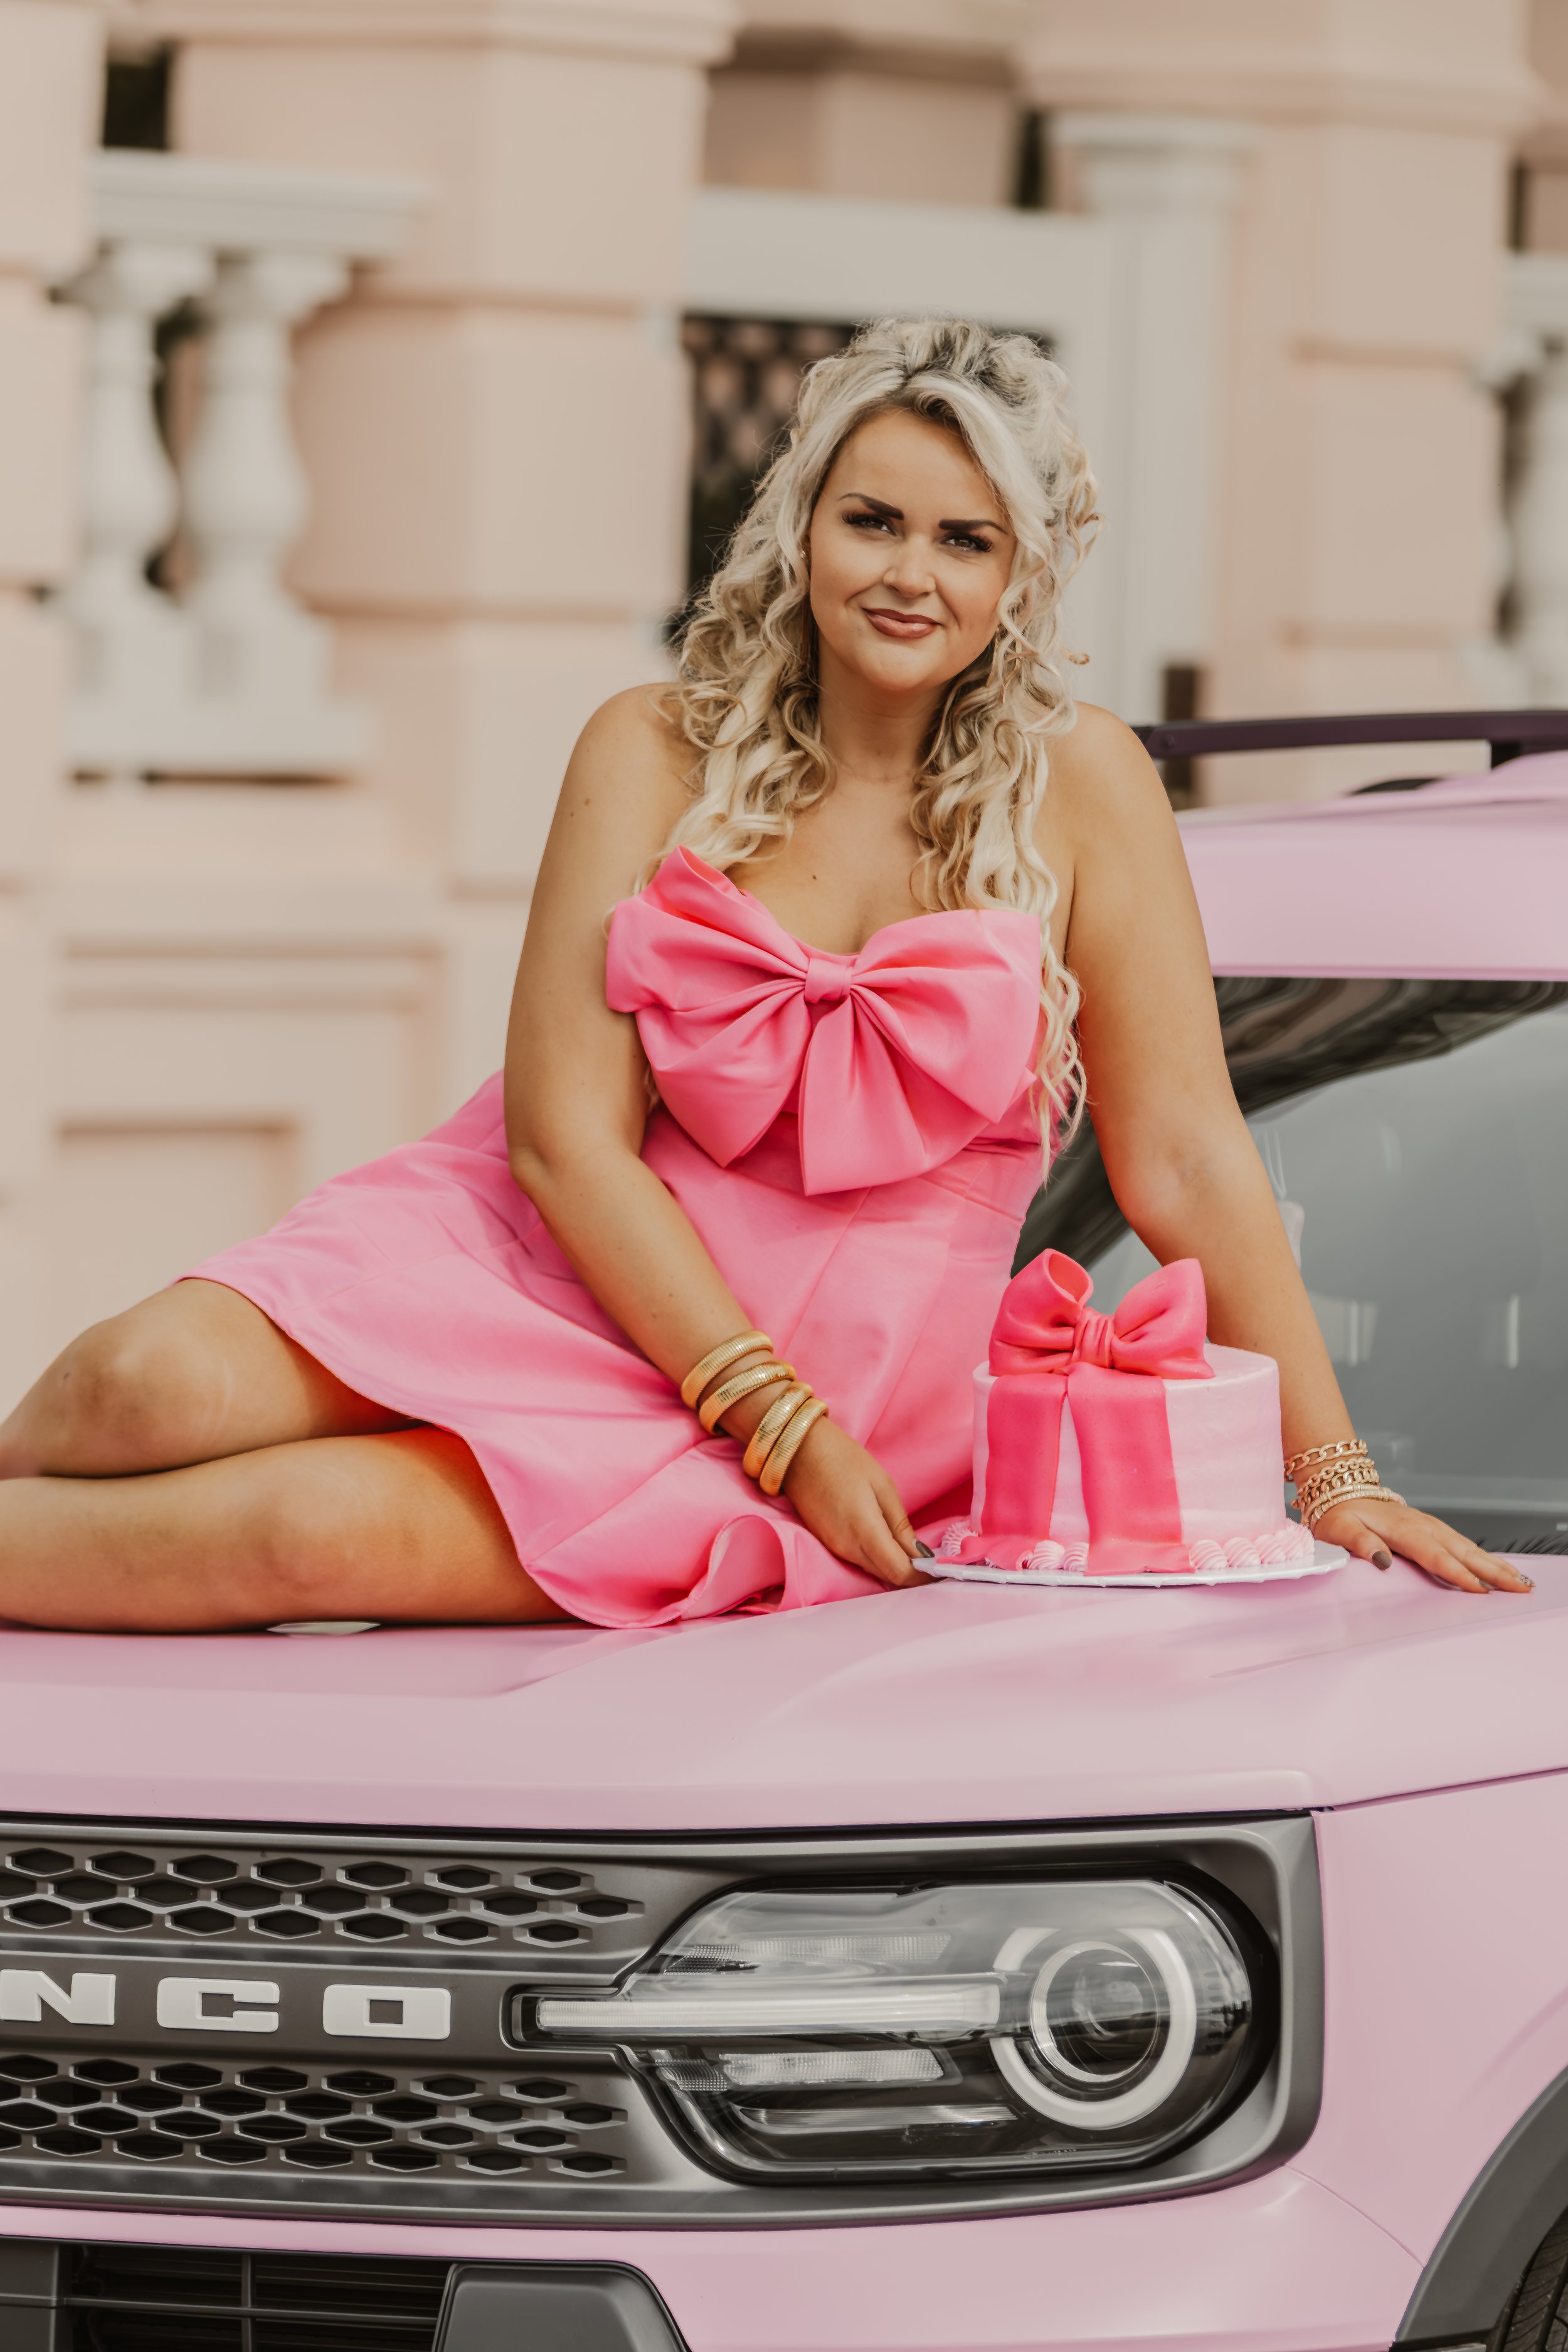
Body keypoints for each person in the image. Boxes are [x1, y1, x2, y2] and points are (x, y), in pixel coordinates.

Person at [0, 319, 1529, 1630]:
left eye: (964, 538)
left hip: (830, 1368)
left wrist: (1334, 1479)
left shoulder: (1085, 785)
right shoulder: (647, 743)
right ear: (800, 524)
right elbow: (559, 1137)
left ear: (1023, 574)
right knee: (132, 1386)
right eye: (872, 520)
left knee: (292, 1535)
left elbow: (1186, 1159)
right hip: (546, 1252)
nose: (908, 572)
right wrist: (768, 1412)